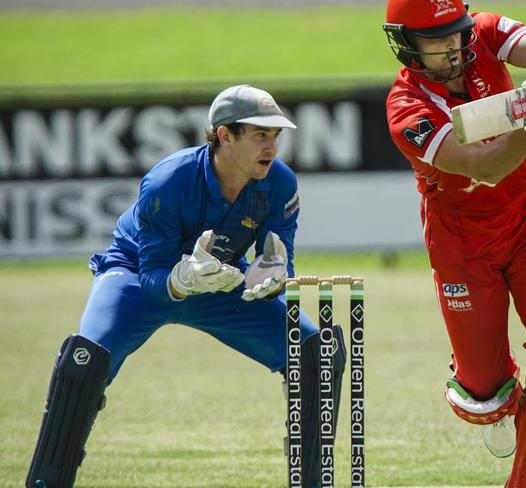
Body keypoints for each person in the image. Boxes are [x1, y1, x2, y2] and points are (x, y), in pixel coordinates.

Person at [25, 84, 346, 488]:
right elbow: (153, 276)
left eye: (276, 135)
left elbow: (281, 256)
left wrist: (272, 276)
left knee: (315, 354)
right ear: (225, 135)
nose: (272, 147)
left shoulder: (279, 183)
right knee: (83, 363)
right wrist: (182, 280)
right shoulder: (168, 182)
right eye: (260, 135)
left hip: (223, 281)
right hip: (137, 278)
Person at [383, 0, 526, 486]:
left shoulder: (480, 32)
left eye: (457, 33)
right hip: (462, 235)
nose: (454, 46)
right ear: (406, 46)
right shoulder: (406, 108)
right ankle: (494, 391)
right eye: (437, 40)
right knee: (485, 391)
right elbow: (484, 167)